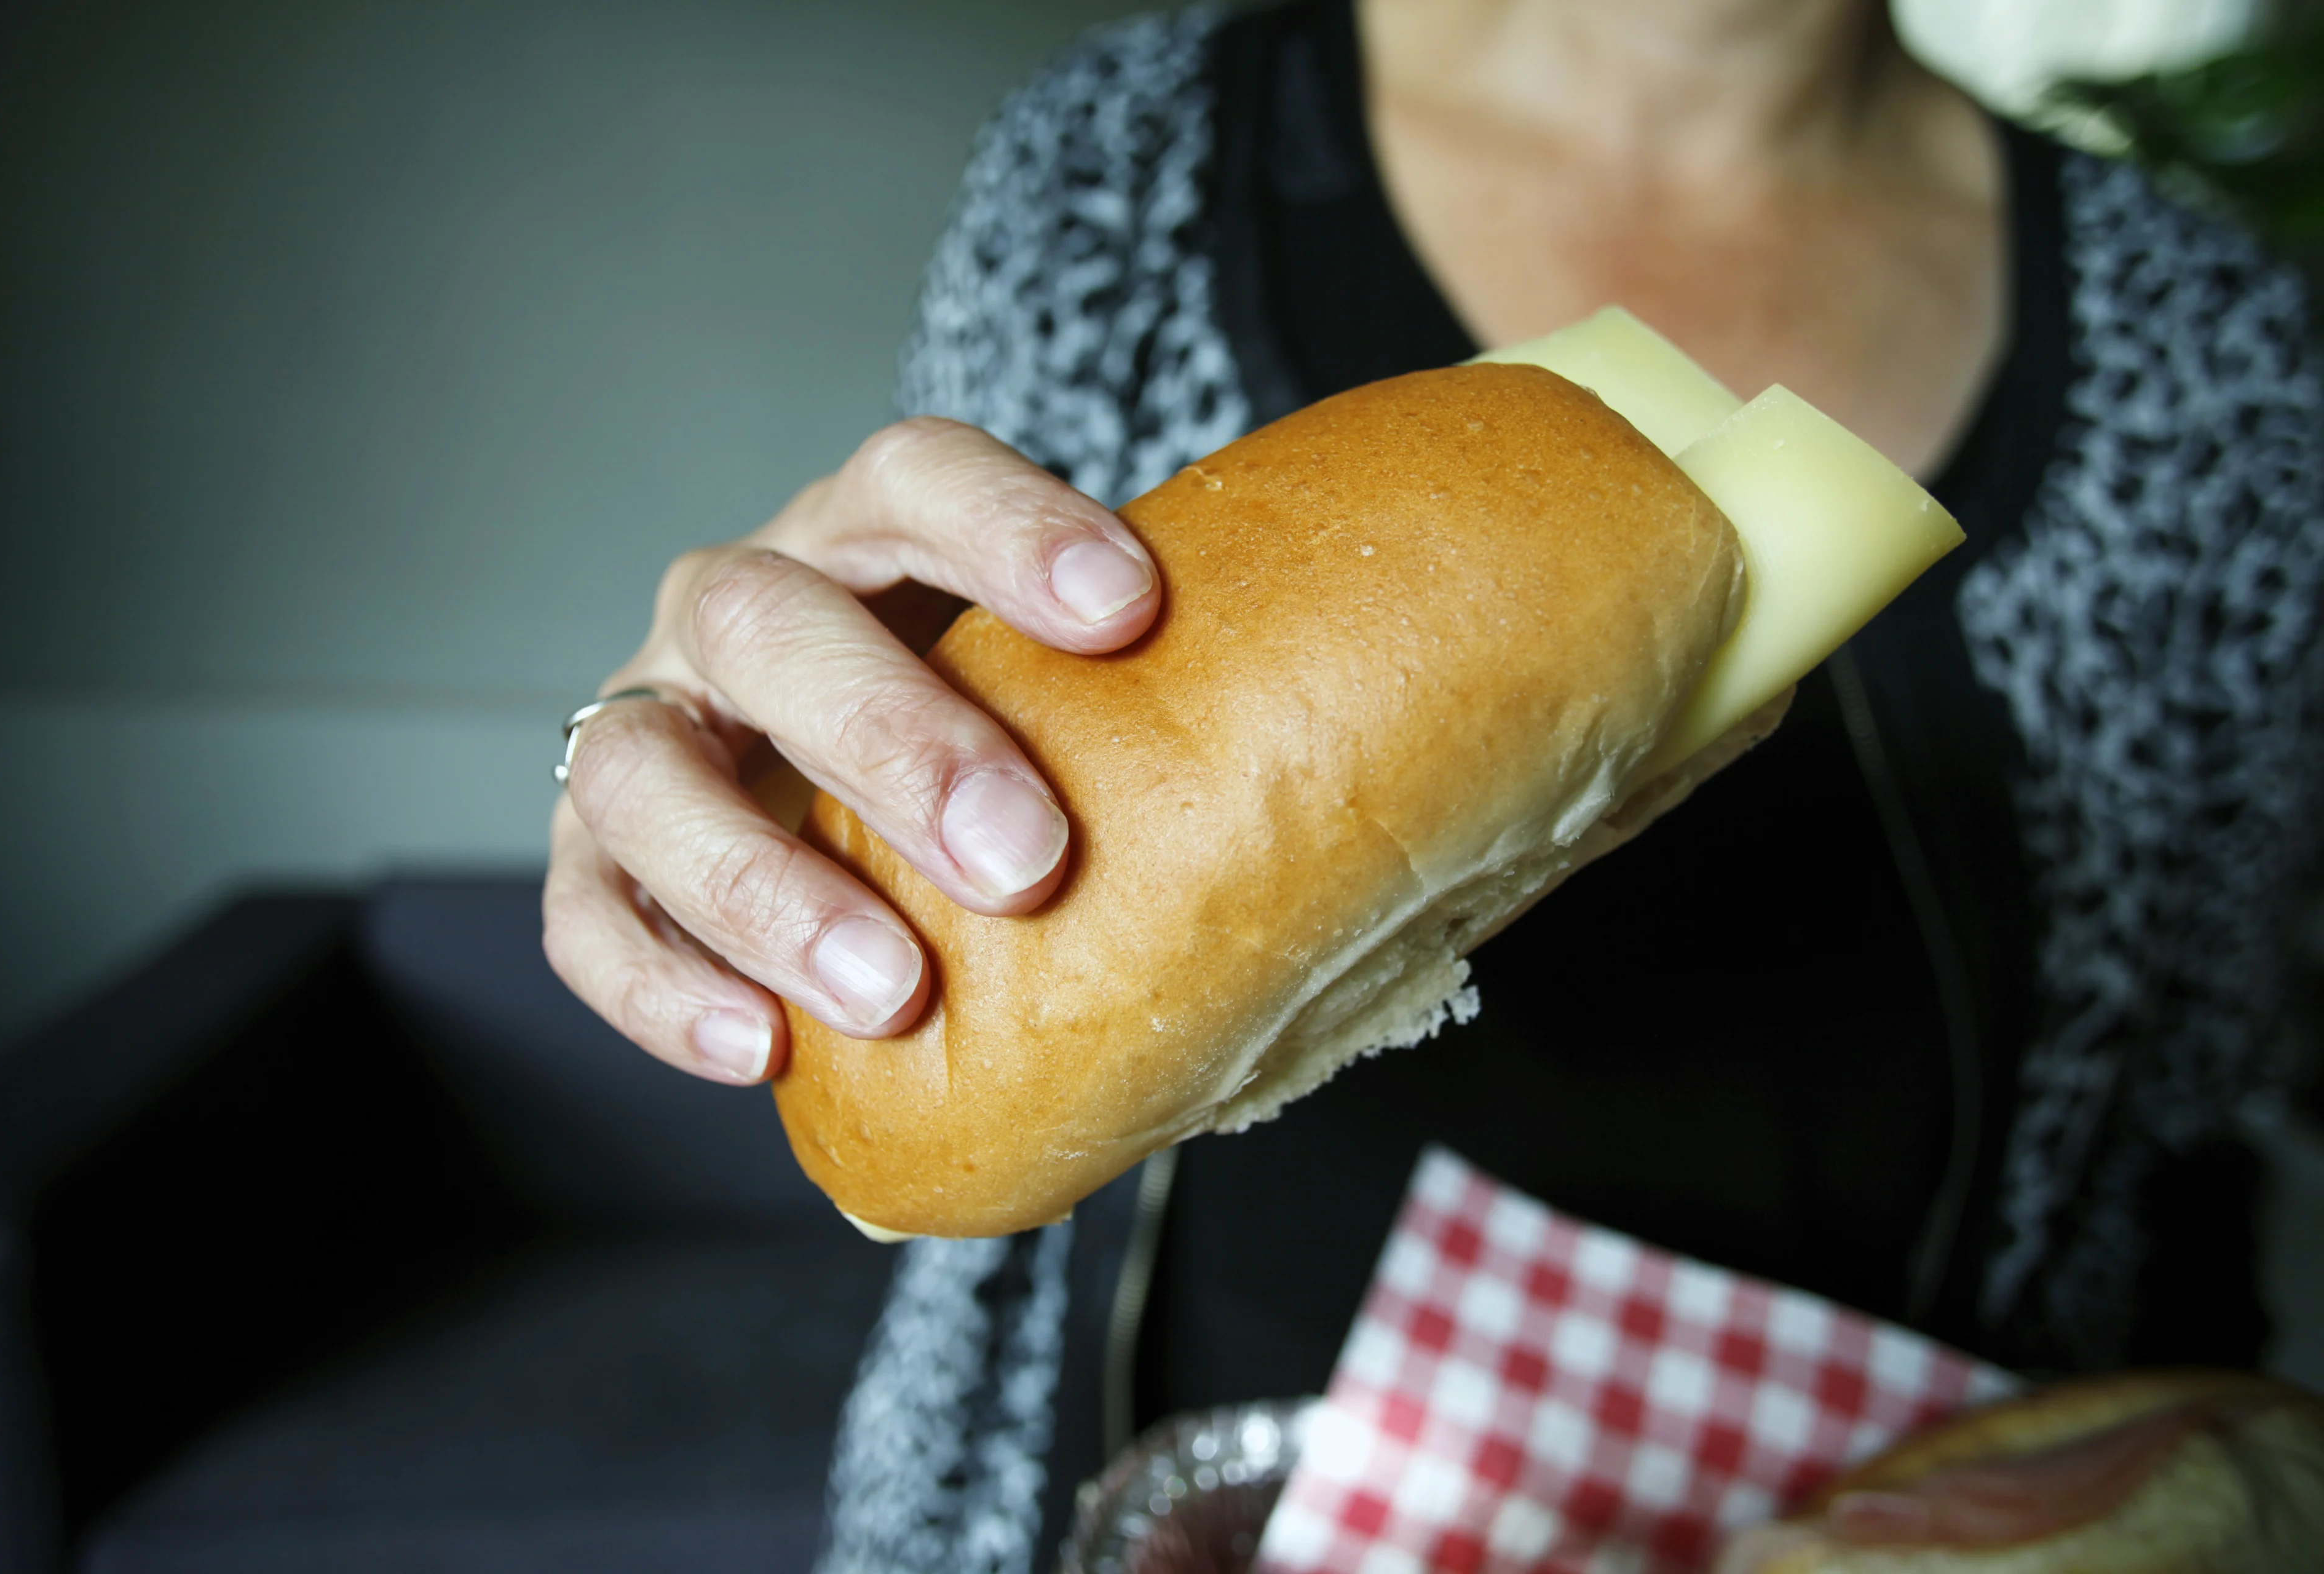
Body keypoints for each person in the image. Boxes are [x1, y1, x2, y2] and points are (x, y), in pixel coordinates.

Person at [540, 1, 2324, 1567]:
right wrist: (734, 781)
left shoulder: (2223, 368)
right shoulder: (1123, 167)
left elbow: (2196, 1128)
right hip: (1097, 1513)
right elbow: (906, 754)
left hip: (1888, 1517)